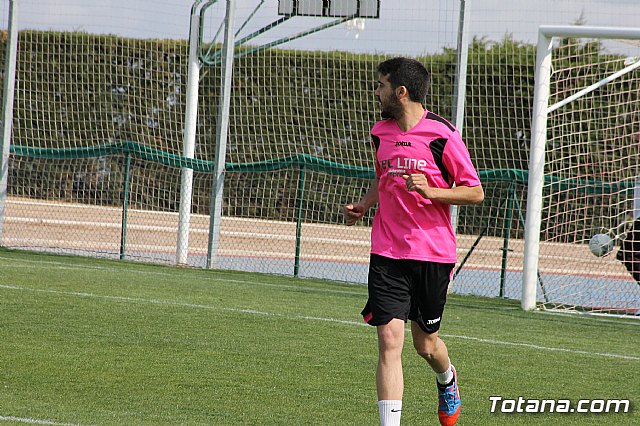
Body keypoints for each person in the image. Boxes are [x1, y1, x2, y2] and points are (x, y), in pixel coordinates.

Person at [343, 57, 484, 426]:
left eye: (382, 85)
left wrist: (433, 191)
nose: (377, 91)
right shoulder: (380, 131)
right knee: (390, 342)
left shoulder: (443, 134)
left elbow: (474, 193)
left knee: (426, 345)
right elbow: (382, 174)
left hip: (432, 255)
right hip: (387, 251)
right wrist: (365, 203)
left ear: (400, 92)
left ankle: (447, 378)